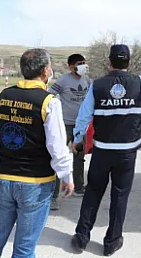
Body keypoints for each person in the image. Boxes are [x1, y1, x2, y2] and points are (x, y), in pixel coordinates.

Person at [69, 42, 141, 256]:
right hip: (127, 153)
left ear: (110, 62)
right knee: (120, 196)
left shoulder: (97, 86)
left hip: (102, 151)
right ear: (128, 62)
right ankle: (112, 242)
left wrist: (77, 139)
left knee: (93, 192)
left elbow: (83, 116)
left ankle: (82, 237)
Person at [0, 48, 75, 258]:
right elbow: (57, 148)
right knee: (24, 249)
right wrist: (67, 177)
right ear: (46, 71)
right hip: (36, 183)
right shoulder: (49, 102)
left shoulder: (0, 97)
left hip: (5, 179)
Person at [48, 53, 92, 209]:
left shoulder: (87, 80)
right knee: (58, 158)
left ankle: (79, 188)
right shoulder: (63, 81)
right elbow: (49, 96)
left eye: (84, 63)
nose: (83, 66)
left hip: (81, 126)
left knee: (79, 158)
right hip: (64, 125)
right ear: (71, 66)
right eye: (80, 63)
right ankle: (53, 196)